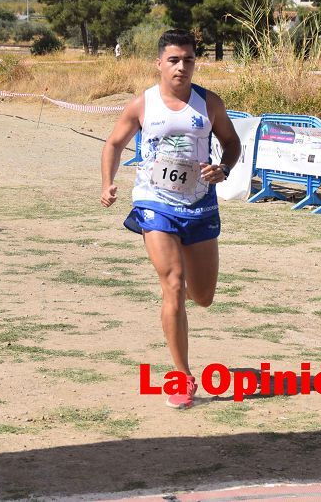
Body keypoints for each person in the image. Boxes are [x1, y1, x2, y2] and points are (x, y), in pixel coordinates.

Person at [100, 29, 241, 409]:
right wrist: (107, 183)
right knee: (173, 284)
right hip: (155, 202)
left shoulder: (209, 103)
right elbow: (113, 143)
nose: (181, 66)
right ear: (159, 63)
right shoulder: (142, 104)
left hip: (199, 205)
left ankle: (182, 317)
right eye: (174, 60)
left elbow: (232, 143)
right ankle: (182, 376)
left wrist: (222, 168)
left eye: (188, 60)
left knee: (203, 296)